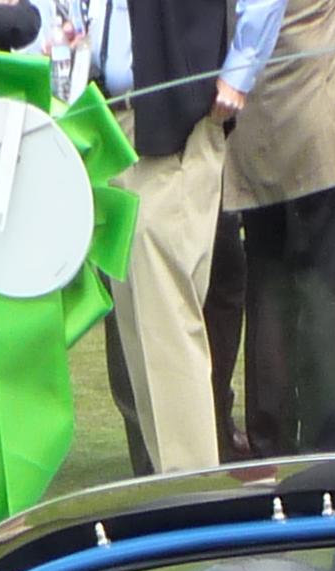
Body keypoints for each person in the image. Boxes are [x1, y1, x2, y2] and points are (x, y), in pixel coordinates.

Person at [90, 0, 279, 478]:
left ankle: (192, 498)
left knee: (167, 324)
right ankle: (173, 492)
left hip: (174, 120)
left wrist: (239, 72)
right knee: (140, 328)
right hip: (110, 119)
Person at [221, 0, 335, 450]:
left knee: (268, 289)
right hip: (324, 107)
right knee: (330, 289)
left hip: (262, 114)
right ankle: (323, 443)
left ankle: (270, 440)